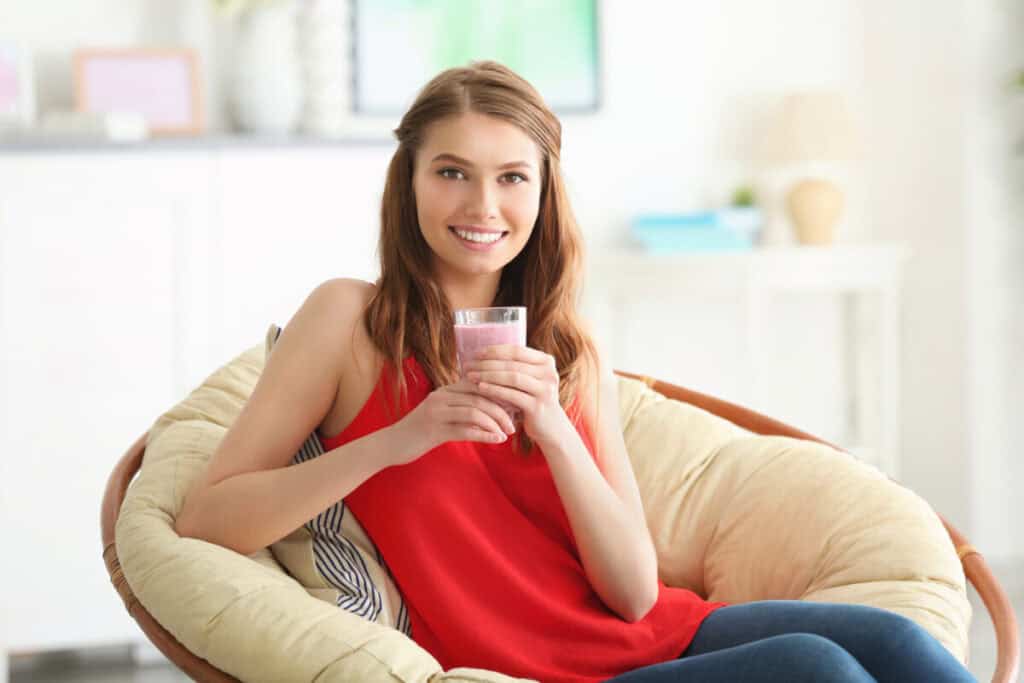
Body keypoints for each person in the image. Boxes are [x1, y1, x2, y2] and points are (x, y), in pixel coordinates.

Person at [175, 61, 977, 683]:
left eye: (511, 176)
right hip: (547, 670)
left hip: (653, 633)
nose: (482, 204)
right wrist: (399, 438)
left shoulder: (569, 350)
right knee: (818, 670)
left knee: (897, 638)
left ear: (543, 189)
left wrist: (556, 428)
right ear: (409, 182)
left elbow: (632, 592)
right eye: (451, 171)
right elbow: (208, 518)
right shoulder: (349, 320)